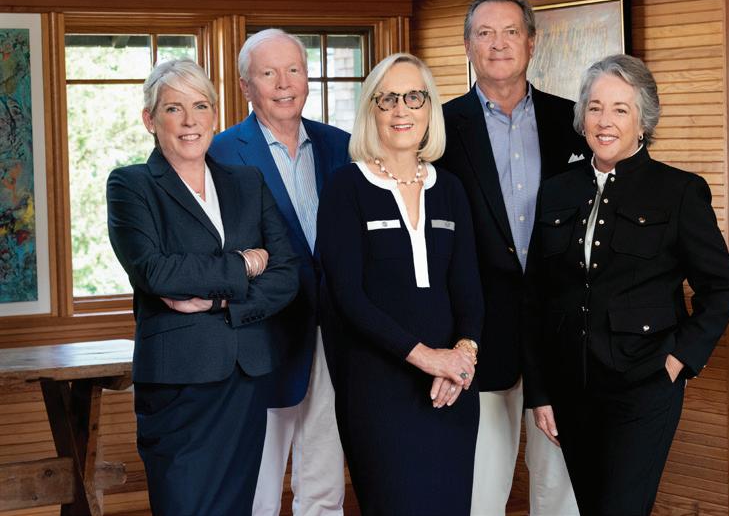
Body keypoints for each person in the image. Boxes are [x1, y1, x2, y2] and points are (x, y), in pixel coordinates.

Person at [523, 54, 729, 515]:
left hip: (644, 386)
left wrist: (680, 360)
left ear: (643, 121)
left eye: (620, 109)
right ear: (582, 117)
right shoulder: (557, 190)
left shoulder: (679, 191)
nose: (605, 121)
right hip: (570, 389)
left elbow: (722, 287)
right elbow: (537, 297)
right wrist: (539, 393)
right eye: (595, 107)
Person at [106, 59, 300, 515]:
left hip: (245, 375)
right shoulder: (131, 185)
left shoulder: (246, 182)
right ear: (150, 120)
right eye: (174, 108)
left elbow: (286, 272)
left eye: (200, 106)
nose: (190, 121)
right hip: (177, 380)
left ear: (215, 114)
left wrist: (220, 303)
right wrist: (243, 264)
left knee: (235, 506)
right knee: (183, 504)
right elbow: (156, 271)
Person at [439, 0, 588, 516]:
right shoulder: (439, 128)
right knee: (480, 492)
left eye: (510, 32)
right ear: (468, 46)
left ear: (531, 42)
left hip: (562, 331)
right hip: (478, 332)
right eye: (484, 33)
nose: (498, 44)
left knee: (560, 491)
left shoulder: (573, 122)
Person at [316, 53, 483, 516]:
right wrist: (428, 358)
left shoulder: (450, 189)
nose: (401, 110)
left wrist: (462, 358)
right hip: (378, 392)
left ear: (430, 108)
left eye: (414, 97)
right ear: (371, 109)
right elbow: (348, 298)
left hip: (451, 390)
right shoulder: (345, 188)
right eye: (387, 99)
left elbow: (469, 289)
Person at [209, 28, 349, 516]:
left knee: (324, 483)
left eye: (294, 70)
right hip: (261, 339)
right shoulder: (220, 153)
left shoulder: (340, 146)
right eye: (269, 73)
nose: (284, 83)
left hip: (335, 334)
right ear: (246, 86)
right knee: (258, 490)